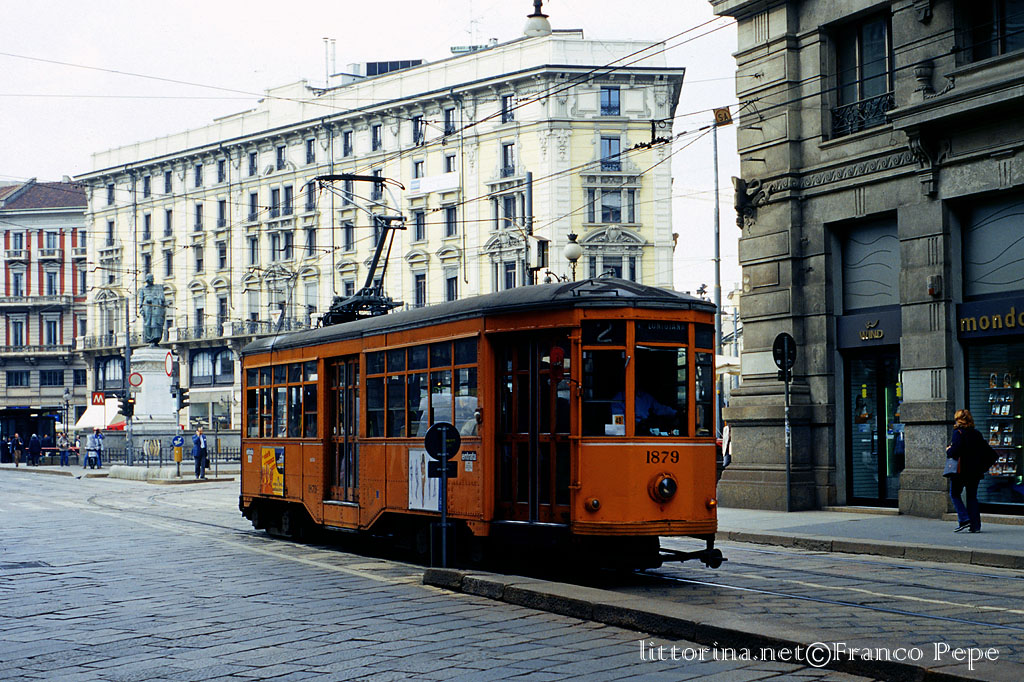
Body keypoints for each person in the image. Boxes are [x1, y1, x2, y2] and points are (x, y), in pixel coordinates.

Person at [946, 409, 994, 533]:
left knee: (955, 494)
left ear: (958, 419)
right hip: (975, 471)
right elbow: (988, 451)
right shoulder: (976, 433)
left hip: (960, 471)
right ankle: (975, 526)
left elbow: (955, 451)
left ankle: (964, 519)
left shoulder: (958, 433)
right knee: (972, 497)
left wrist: (948, 449)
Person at [138, 273, 167, 345]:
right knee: (147, 323)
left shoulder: (157, 287)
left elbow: (162, 298)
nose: (151, 281)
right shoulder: (142, 289)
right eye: (150, 279)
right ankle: (149, 338)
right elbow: (140, 301)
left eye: (152, 279)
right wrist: (141, 309)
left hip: (156, 307)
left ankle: (156, 338)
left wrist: (156, 299)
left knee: (156, 323)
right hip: (146, 308)